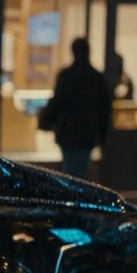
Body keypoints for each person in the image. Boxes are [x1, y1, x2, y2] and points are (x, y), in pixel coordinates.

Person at [39, 38, 110, 180]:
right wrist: (102, 134)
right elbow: (104, 109)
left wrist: (45, 120)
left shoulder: (66, 76)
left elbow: (57, 101)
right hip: (88, 132)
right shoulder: (96, 78)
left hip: (68, 131)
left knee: (71, 166)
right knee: (80, 168)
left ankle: (72, 195)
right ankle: (77, 195)